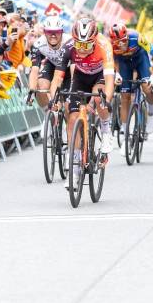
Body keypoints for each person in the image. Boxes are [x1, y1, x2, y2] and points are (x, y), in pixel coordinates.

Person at [49, 17, 115, 188]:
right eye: (79, 44)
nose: (82, 49)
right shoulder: (68, 47)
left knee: (100, 98)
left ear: (94, 40)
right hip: (80, 76)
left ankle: (106, 130)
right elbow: (57, 78)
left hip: (99, 75)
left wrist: (107, 100)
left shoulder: (104, 46)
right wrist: (53, 99)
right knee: (72, 119)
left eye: (86, 45)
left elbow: (109, 79)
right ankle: (76, 167)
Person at [107, 22, 153, 147]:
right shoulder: (110, 44)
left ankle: (151, 112)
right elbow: (113, 60)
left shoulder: (137, 37)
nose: (122, 44)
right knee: (125, 97)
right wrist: (116, 74)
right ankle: (125, 133)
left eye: (124, 40)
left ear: (127, 36)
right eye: (118, 42)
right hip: (124, 64)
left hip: (141, 60)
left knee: (146, 87)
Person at [28, 16, 70, 108]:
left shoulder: (70, 42)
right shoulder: (38, 44)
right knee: (41, 86)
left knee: (68, 105)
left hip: (69, 68)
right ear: (44, 32)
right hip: (52, 64)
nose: (53, 35)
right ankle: (49, 114)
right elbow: (34, 70)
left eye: (57, 32)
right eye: (50, 32)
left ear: (62, 32)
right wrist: (31, 90)